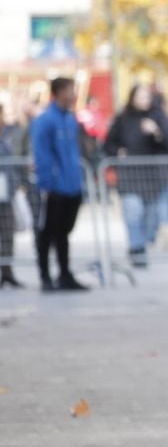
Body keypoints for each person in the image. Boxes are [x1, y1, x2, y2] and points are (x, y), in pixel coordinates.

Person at [103, 82, 168, 269]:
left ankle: (144, 241)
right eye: (140, 96)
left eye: (146, 96)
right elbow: (108, 144)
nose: (143, 100)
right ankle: (137, 248)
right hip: (130, 176)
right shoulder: (123, 119)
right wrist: (117, 151)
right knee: (132, 211)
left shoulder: (160, 118)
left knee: (152, 216)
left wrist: (156, 132)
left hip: (154, 178)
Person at [29, 76, 89, 292]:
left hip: (71, 186)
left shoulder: (70, 119)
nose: (73, 95)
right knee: (47, 232)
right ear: (59, 93)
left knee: (63, 233)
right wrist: (48, 183)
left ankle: (64, 274)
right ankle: (45, 276)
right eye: (69, 90)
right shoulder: (45, 121)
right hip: (54, 187)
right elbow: (42, 155)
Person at [0, 91, 28, 288]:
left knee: (7, 232)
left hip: (7, 191)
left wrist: (20, 182)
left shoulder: (11, 133)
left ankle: (7, 271)